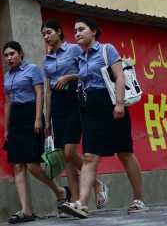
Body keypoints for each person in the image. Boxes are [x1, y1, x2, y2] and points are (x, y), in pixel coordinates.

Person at [60, 17, 149, 219]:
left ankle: (139, 199)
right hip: (92, 108)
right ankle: (82, 203)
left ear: (93, 31)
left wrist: (118, 104)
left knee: (125, 153)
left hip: (111, 104)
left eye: (81, 29)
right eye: (75, 31)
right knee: (90, 156)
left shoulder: (106, 49)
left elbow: (118, 77)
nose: (77, 34)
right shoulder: (81, 59)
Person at [41, 19, 109, 213]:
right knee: (65, 156)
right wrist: (48, 119)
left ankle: (97, 184)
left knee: (70, 151)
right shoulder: (47, 58)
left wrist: (68, 77)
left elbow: (87, 71)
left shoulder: (73, 50)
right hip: (57, 103)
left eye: (49, 33)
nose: (46, 37)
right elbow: (47, 90)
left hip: (74, 100)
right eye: (44, 34)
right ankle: (79, 204)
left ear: (59, 32)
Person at [2, 41, 70, 224]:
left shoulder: (32, 70)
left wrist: (38, 119)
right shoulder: (7, 76)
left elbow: (39, 93)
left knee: (32, 165)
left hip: (31, 114)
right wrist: (6, 128)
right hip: (15, 118)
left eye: (12, 54)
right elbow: (7, 103)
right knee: (17, 166)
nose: (9, 58)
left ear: (21, 53)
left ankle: (60, 191)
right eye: (6, 55)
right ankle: (26, 210)